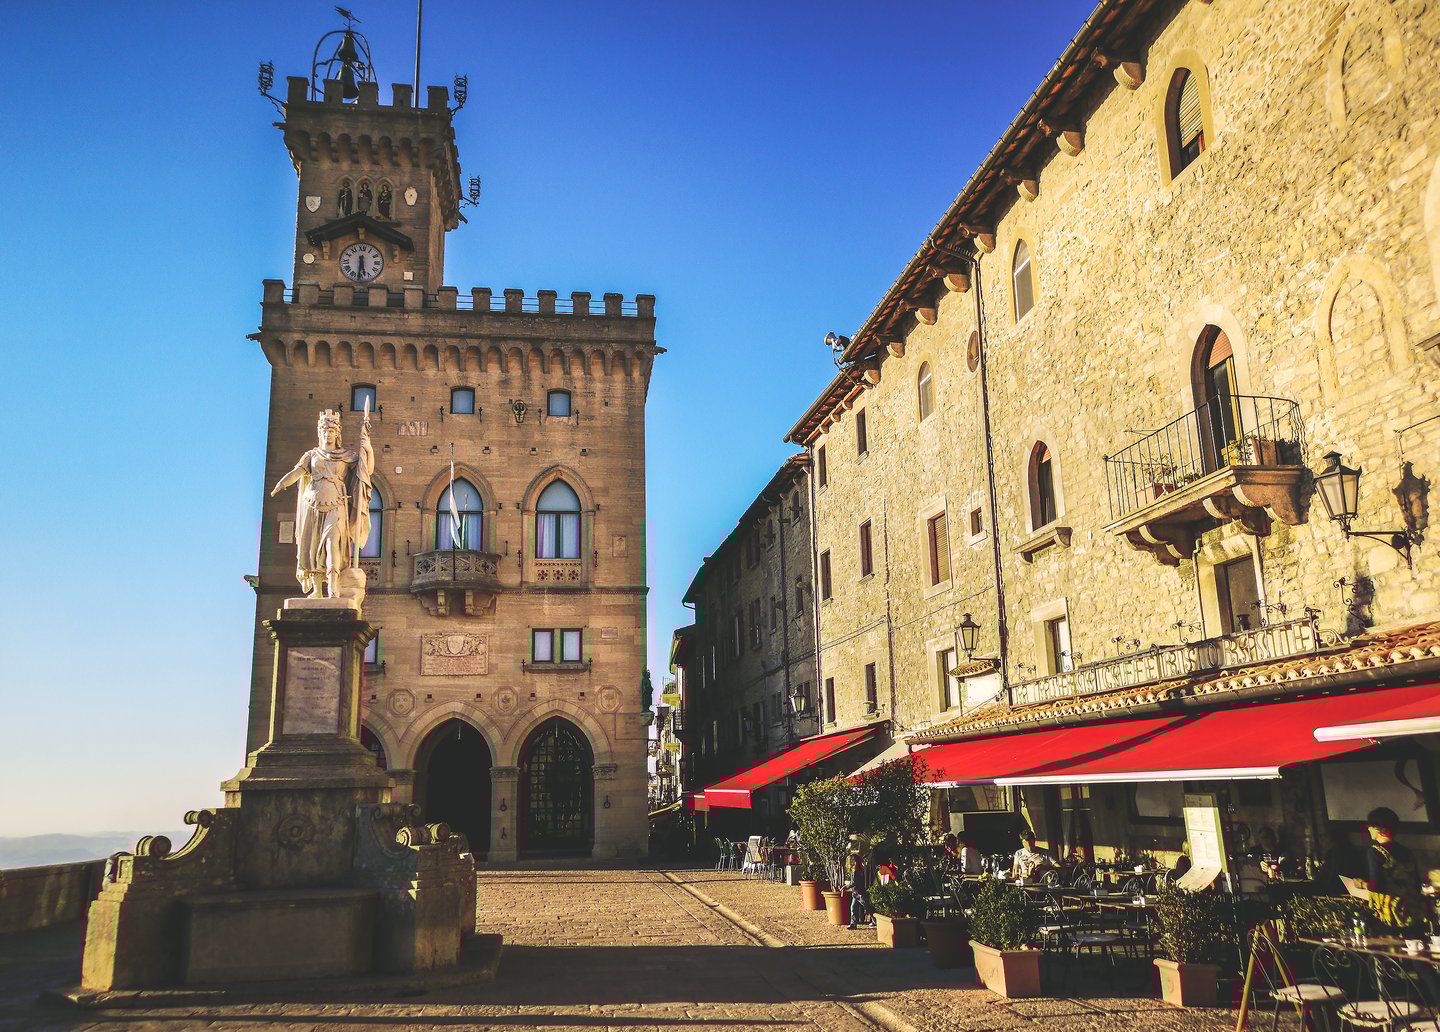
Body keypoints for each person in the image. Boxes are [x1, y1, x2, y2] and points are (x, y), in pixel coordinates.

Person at [271, 408, 374, 602]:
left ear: (337, 434)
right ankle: (317, 590)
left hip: (336, 505)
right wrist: (281, 484)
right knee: (313, 547)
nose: (328, 435)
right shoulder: (311, 455)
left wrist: (367, 447)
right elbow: (297, 472)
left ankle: (333, 587)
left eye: (332, 431)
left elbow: (365, 470)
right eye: (325, 431)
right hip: (312, 505)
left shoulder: (346, 455)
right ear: (320, 434)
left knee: (332, 542)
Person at [1364, 806, 1423, 929]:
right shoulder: (1407, 851)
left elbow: (1377, 885)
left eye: (1371, 825)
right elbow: (1417, 883)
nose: (1368, 828)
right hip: (1412, 911)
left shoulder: (1375, 852)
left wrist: (1361, 884)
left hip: (1390, 914)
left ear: (1380, 829)